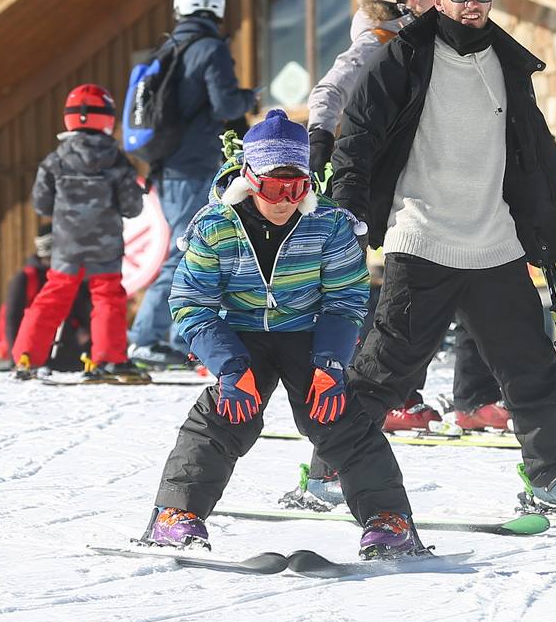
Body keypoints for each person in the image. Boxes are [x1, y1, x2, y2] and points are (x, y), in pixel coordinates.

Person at [328, 0, 556, 512]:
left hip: (494, 239)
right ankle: (332, 468)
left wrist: (546, 232)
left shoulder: (507, 63)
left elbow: (532, 156)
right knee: (386, 368)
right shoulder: (403, 57)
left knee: (531, 365)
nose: (471, 4)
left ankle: (555, 474)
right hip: (423, 235)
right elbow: (357, 139)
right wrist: (348, 217)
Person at [144, 109, 424, 559]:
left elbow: (346, 298)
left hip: (308, 332)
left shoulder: (329, 225)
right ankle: (175, 514)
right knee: (225, 415)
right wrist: (230, 367)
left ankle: (388, 518)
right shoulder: (216, 227)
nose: (284, 199)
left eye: (297, 187)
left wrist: (330, 362)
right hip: (239, 334)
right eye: (274, 186)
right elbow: (191, 301)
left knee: (337, 416)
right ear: (250, 178)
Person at [307, 0, 506, 435]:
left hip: (437, 186)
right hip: (378, 183)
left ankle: (474, 398)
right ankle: (381, 400)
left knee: (472, 288)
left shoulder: (448, 42)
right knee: (394, 298)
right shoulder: (384, 40)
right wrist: (318, 141)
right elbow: (329, 93)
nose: (455, 2)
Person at [129, 0, 255, 368]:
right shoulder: (210, 49)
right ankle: (146, 338)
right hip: (193, 166)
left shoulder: (169, 49)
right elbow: (224, 104)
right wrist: (251, 97)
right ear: (216, 10)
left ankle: (169, 338)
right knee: (184, 253)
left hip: (168, 166)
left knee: (189, 250)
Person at [13, 85, 146, 380]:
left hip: (66, 246)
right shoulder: (116, 161)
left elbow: (41, 203)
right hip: (105, 246)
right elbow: (132, 207)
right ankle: (109, 359)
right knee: (107, 297)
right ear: (108, 119)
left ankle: (27, 357)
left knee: (53, 297)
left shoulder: (55, 160)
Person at [0, 222, 91, 372]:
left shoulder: (72, 277)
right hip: (31, 357)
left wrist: (84, 330)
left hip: (71, 355)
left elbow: (83, 310)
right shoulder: (25, 279)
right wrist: (17, 358)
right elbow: (12, 319)